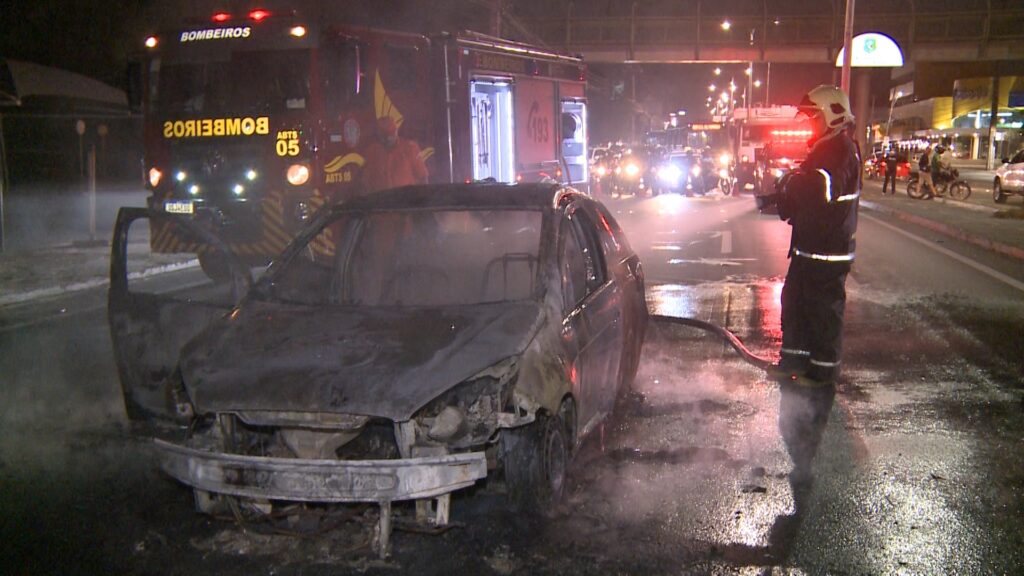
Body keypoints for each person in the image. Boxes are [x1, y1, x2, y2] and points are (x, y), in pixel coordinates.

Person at [766, 85, 861, 387]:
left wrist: (793, 183)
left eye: (815, 117)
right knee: (795, 303)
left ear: (833, 115)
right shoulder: (823, 148)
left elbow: (822, 188)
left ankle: (822, 371)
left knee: (823, 312)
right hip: (808, 249)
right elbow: (802, 191)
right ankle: (794, 359)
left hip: (828, 251)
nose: (811, 123)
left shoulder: (842, 149)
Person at [361, 117, 429, 193]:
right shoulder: (371, 152)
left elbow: (423, 177)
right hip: (381, 202)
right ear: (379, 135)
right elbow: (365, 183)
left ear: (396, 131)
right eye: (385, 136)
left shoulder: (410, 148)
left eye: (391, 135)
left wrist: (423, 200)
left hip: (405, 202)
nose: (388, 139)